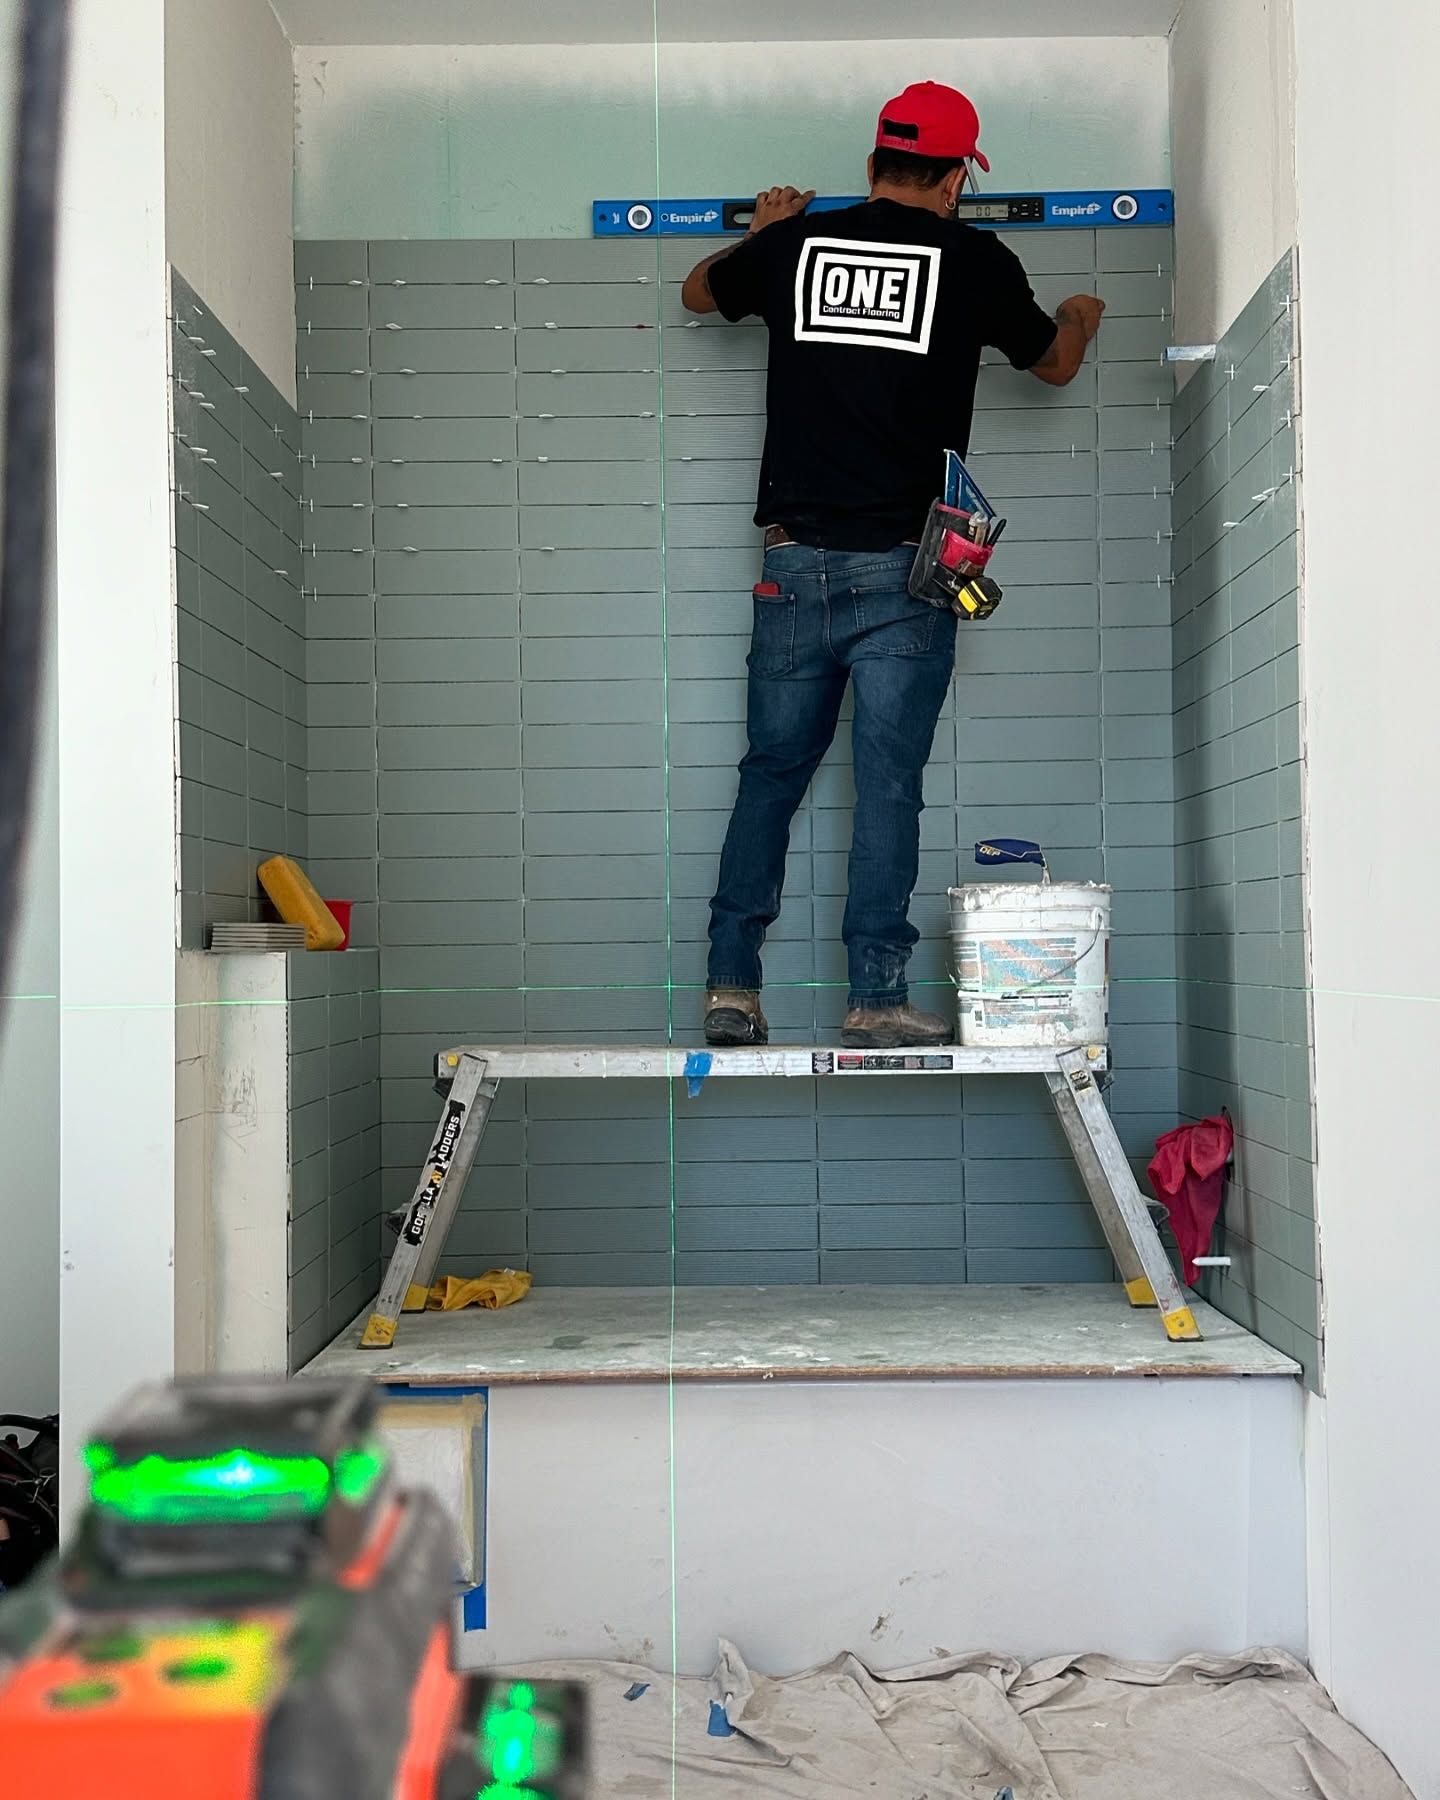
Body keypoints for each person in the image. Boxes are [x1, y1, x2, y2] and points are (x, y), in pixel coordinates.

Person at [683, 81, 1104, 1050]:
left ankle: (731, 987)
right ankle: (875, 996)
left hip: (790, 571)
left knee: (769, 776)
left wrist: (760, 233)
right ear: (956, 177)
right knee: (888, 785)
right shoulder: (976, 261)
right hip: (905, 581)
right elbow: (1053, 363)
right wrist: (1081, 312)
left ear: (874, 164)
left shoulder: (794, 249)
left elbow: (698, 292)